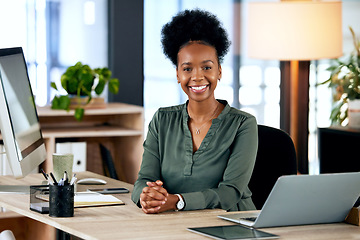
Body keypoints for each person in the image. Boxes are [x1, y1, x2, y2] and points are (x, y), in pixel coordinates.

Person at [131, 9, 258, 214]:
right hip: (175, 224)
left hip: (231, 224)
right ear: (178, 73)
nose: (197, 77)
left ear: (219, 71)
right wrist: (146, 197)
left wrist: (178, 201)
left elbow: (230, 192)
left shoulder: (243, 124)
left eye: (207, 67)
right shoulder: (162, 120)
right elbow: (143, 181)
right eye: (188, 69)